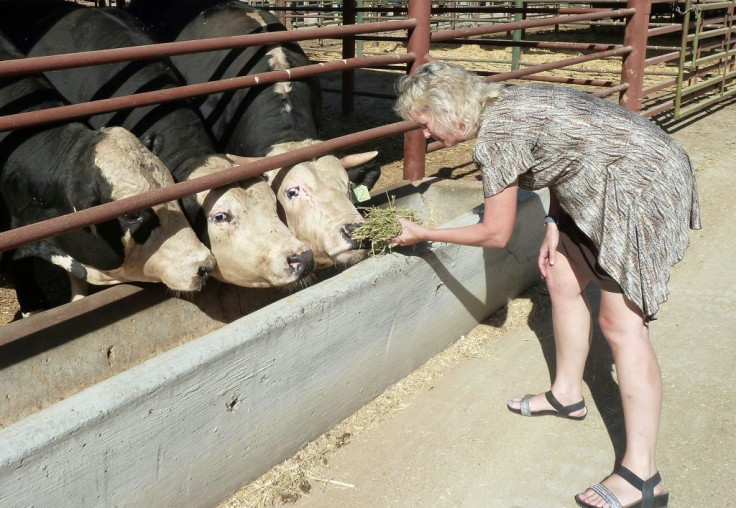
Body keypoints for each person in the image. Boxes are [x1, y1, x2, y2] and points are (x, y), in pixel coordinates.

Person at [392, 61, 700, 508]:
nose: (425, 136)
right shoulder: (502, 100)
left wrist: (423, 234)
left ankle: (641, 476)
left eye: (424, 124)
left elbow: (495, 234)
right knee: (560, 274)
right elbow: (566, 149)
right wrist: (554, 220)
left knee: (622, 324)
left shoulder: (497, 137)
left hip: (640, 184)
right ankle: (567, 394)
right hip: (600, 179)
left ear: (449, 110)